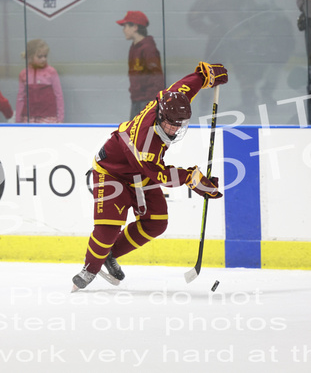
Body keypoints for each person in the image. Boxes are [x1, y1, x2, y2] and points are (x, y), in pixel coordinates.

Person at [71, 62, 228, 290]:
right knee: (108, 227)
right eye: (170, 125)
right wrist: (194, 180)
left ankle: (108, 254)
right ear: (160, 118)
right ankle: (90, 268)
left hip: (140, 171)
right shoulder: (146, 145)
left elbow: (185, 86)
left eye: (179, 125)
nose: (174, 130)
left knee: (156, 222)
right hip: (112, 171)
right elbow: (161, 175)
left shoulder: (168, 101)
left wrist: (205, 76)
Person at [116, 11, 165, 119]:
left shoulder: (148, 48)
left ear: (135, 27)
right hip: (137, 100)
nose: (124, 30)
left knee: (142, 133)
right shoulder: (134, 47)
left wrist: (155, 103)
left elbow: (157, 76)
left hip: (148, 101)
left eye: (125, 26)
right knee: (132, 133)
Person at [15, 39, 64, 123]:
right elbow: (20, 97)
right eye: (40, 56)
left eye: (45, 56)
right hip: (29, 116)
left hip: (48, 116)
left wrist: (60, 118)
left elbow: (59, 95)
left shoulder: (51, 72)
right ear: (30, 56)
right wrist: (18, 119)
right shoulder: (24, 74)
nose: (43, 59)